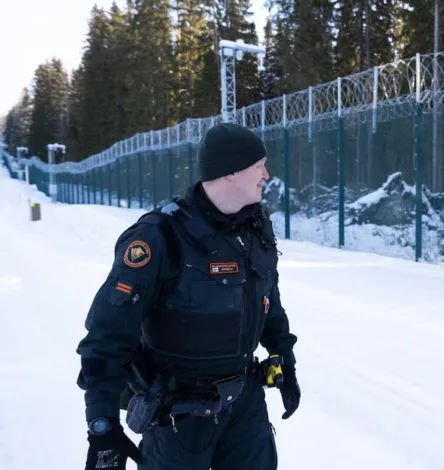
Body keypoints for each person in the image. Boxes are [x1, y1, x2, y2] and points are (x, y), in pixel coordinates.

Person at [75, 122, 300, 470]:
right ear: (231, 171)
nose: (266, 175)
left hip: (245, 408)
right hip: (177, 417)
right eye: (259, 166)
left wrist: (285, 358)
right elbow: (107, 335)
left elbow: (268, 297)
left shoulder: (254, 226)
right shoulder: (159, 237)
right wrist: (102, 425)